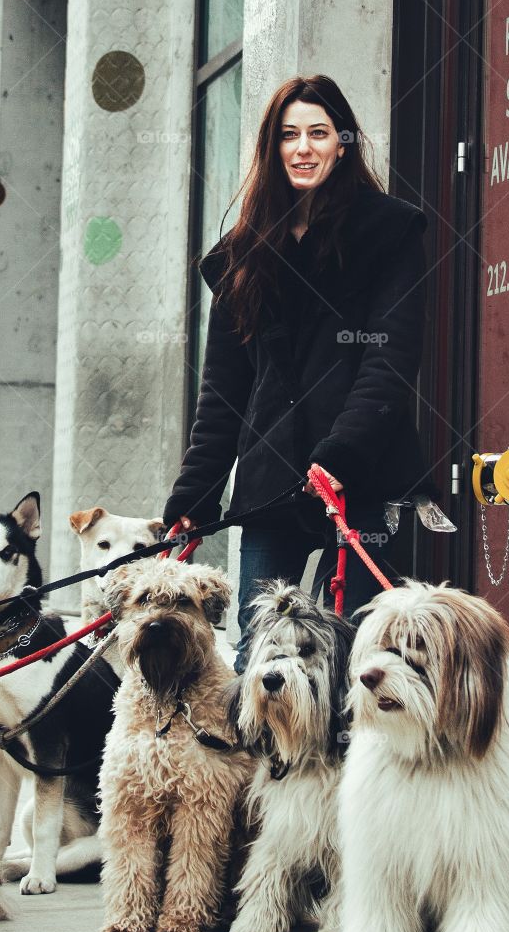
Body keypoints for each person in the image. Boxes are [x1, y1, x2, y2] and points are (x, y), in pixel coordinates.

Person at [163, 74, 437, 673]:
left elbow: (388, 364)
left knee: (363, 657)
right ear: (272, 147)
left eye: (319, 133)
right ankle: (271, 769)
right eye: (289, 135)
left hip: (362, 483)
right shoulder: (245, 251)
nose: (303, 147)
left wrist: (340, 455)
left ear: (344, 142)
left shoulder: (388, 234)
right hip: (270, 485)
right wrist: (196, 494)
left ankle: (351, 766)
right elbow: (224, 394)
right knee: (260, 655)